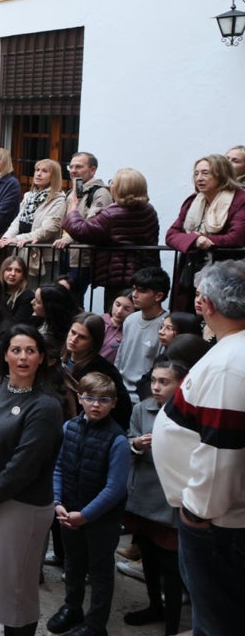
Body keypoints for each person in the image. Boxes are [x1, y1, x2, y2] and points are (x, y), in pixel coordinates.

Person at [152, 259, 245, 636]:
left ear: (204, 304)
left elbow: (222, 451)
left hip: (217, 523)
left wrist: (197, 513)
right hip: (219, 519)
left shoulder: (229, 364)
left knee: (216, 622)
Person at [0, 325, 65, 636]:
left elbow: (25, 463)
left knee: (17, 590)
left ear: (41, 359)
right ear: (6, 355)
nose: (23, 357)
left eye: (30, 351)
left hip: (23, 505)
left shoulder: (46, 405)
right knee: (3, 586)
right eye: (16, 350)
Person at [48, 372, 131, 636]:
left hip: (100, 519)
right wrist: (57, 501)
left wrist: (85, 515)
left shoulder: (117, 439)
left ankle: (96, 624)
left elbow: (115, 488)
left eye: (104, 399)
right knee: (72, 564)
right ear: (79, 398)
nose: (96, 405)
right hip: (68, 511)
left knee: (100, 571)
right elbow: (58, 466)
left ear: (114, 403)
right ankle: (72, 608)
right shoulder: (69, 428)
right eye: (90, 398)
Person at [121, 358, 189, 635]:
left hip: (171, 499)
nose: (157, 387)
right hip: (144, 496)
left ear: (181, 384)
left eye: (165, 382)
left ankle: (172, 625)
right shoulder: (141, 409)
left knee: (171, 568)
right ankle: (154, 606)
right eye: (154, 381)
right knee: (147, 555)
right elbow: (127, 441)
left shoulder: (188, 414)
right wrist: (136, 445)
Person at [62, 167, 160, 310]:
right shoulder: (149, 210)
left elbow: (80, 230)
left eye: (113, 182)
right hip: (144, 274)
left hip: (117, 275)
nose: (111, 185)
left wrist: (73, 206)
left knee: (116, 315)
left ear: (120, 188)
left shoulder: (112, 214)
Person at [165, 154, 245, 312]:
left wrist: (205, 239)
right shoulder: (193, 201)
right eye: (196, 173)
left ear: (222, 174)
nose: (199, 178)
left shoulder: (240, 200)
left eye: (205, 173)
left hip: (225, 274)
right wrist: (195, 241)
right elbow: (172, 234)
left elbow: (236, 237)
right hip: (191, 270)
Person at [53, 152, 115, 297]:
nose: (73, 170)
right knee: (62, 297)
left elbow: (93, 224)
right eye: (71, 166)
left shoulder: (100, 193)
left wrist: (68, 239)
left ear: (92, 170)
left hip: (82, 257)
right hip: (64, 253)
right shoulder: (72, 192)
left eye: (79, 167)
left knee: (73, 298)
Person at [62, 312, 133, 429]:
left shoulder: (105, 371)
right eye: (73, 333)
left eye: (82, 337)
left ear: (93, 342)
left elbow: (122, 410)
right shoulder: (59, 360)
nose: (73, 339)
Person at [0, 159, 66, 273]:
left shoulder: (58, 200)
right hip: (21, 253)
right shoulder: (29, 196)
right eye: (37, 170)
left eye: (44, 171)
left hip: (43, 258)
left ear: (54, 177)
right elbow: (18, 221)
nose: (38, 173)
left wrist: (17, 239)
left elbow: (49, 228)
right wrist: (6, 239)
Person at [117, 267, 171, 404]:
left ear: (158, 296)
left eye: (142, 291)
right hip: (120, 391)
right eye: (134, 289)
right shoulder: (130, 320)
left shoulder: (167, 325)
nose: (134, 294)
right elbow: (121, 356)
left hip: (145, 395)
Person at [0, 256, 35, 324]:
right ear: (3, 272)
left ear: (23, 275)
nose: (13, 274)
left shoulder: (27, 296)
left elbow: (18, 323)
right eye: (9, 269)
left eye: (18, 271)